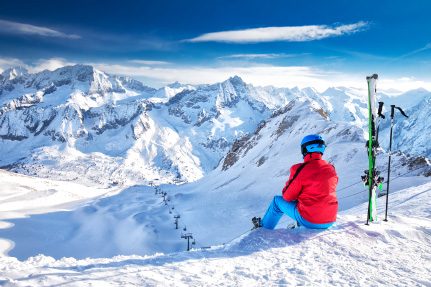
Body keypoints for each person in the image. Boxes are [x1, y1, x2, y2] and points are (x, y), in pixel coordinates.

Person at [252, 134, 338, 230]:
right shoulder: (331, 168)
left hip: (311, 220)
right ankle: (299, 224)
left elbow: (287, 196)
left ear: (305, 149)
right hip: (330, 219)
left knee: (277, 202)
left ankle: (263, 229)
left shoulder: (301, 169)